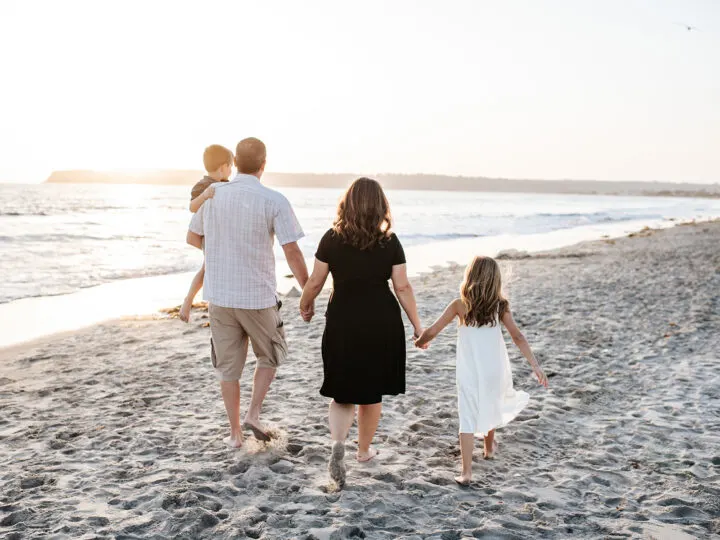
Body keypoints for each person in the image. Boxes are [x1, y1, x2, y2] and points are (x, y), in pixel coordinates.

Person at [299, 177, 423, 488]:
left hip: (343, 319)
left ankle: (338, 442)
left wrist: (305, 304)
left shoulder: (331, 238)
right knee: (371, 393)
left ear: (348, 204)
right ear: (380, 207)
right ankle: (364, 451)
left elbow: (315, 281)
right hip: (381, 320)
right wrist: (417, 324)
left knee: (343, 392)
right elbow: (403, 287)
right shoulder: (390, 242)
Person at [187, 137, 309, 448]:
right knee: (271, 353)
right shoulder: (273, 199)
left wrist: (220, 247)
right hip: (257, 297)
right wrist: (308, 289)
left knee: (228, 368)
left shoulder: (210, 194)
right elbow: (292, 251)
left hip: (219, 296)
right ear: (264, 165)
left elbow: (192, 236)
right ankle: (253, 414)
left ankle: (235, 435)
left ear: (236, 163)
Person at [414, 255, 548, 486]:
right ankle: (488, 449)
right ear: (495, 280)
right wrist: (535, 365)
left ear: (470, 276)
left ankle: (466, 472)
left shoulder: (459, 305)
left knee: (467, 416)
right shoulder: (500, 306)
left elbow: (434, 330)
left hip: (469, 371)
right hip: (494, 368)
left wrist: (420, 341)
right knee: (490, 402)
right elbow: (518, 336)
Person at [179, 144, 234, 323]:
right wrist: (205, 196)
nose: (232, 170)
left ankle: (190, 301)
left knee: (207, 268)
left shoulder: (226, 185)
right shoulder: (202, 186)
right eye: (230, 166)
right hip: (207, 234)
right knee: (205, 269)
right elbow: (192, 207)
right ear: (223, 167)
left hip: (218, 233)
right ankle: (188, 301)